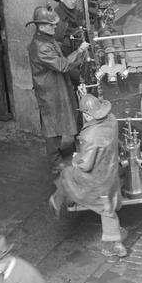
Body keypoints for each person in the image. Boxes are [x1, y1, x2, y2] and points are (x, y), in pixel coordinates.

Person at [48, 93, 128, 259]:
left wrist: (77, 159)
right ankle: (59, 201)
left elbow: (86, 165)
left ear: (86, 115)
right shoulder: (112, 120)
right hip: (111, 173)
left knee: (67, 174)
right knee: (108, 208)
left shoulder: (90, 135)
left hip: (96, 179)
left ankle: (116, 245)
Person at [28, 5, 90, 176]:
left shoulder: (46, 39)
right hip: (49, 91)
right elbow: (62, 65)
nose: (55, 27)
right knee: (52, 126)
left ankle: (60, 154)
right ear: (41, 26)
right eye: (52, 25)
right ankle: (55, 164)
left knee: (57, 121)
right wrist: (80, 51)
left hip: (55, 86)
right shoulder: (41, 47)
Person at [52, 0, 84, 87]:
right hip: (64, 58)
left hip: (77, 52)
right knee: (79, 79)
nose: (73, 1)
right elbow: (56, 45)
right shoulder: (56, 16)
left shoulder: (77, 13)